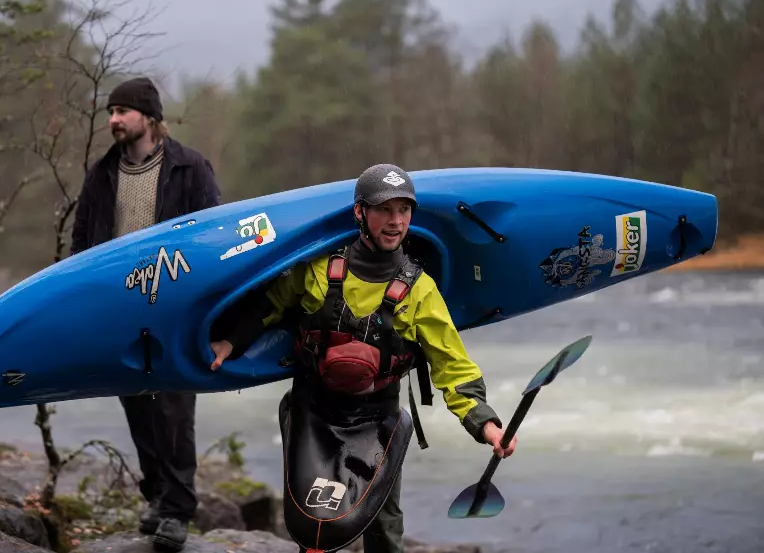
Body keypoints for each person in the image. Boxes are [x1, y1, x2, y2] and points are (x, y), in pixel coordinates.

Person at [208, 163, 516, 553]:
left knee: (384, 526)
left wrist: (485, 424)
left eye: (403, 210)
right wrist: (230, 341)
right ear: (360, 212)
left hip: (377, 417)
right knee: (313, 524)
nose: (395, 221)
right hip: (314, 409)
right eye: (384, 209)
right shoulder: (319, 269)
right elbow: (270, 305)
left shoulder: (420, 291)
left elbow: (451, 364)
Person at [70, 76, 221, 552]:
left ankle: (177, 510)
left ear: (150, 117)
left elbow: (215, 236)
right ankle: (157, 495)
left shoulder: (190, 167)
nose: (113, 120)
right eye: (110, 112)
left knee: (173, 408)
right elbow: (81, 243)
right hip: (120, 310)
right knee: (137, 407)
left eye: (122, 111)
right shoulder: (101, 174)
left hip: (175, 308)